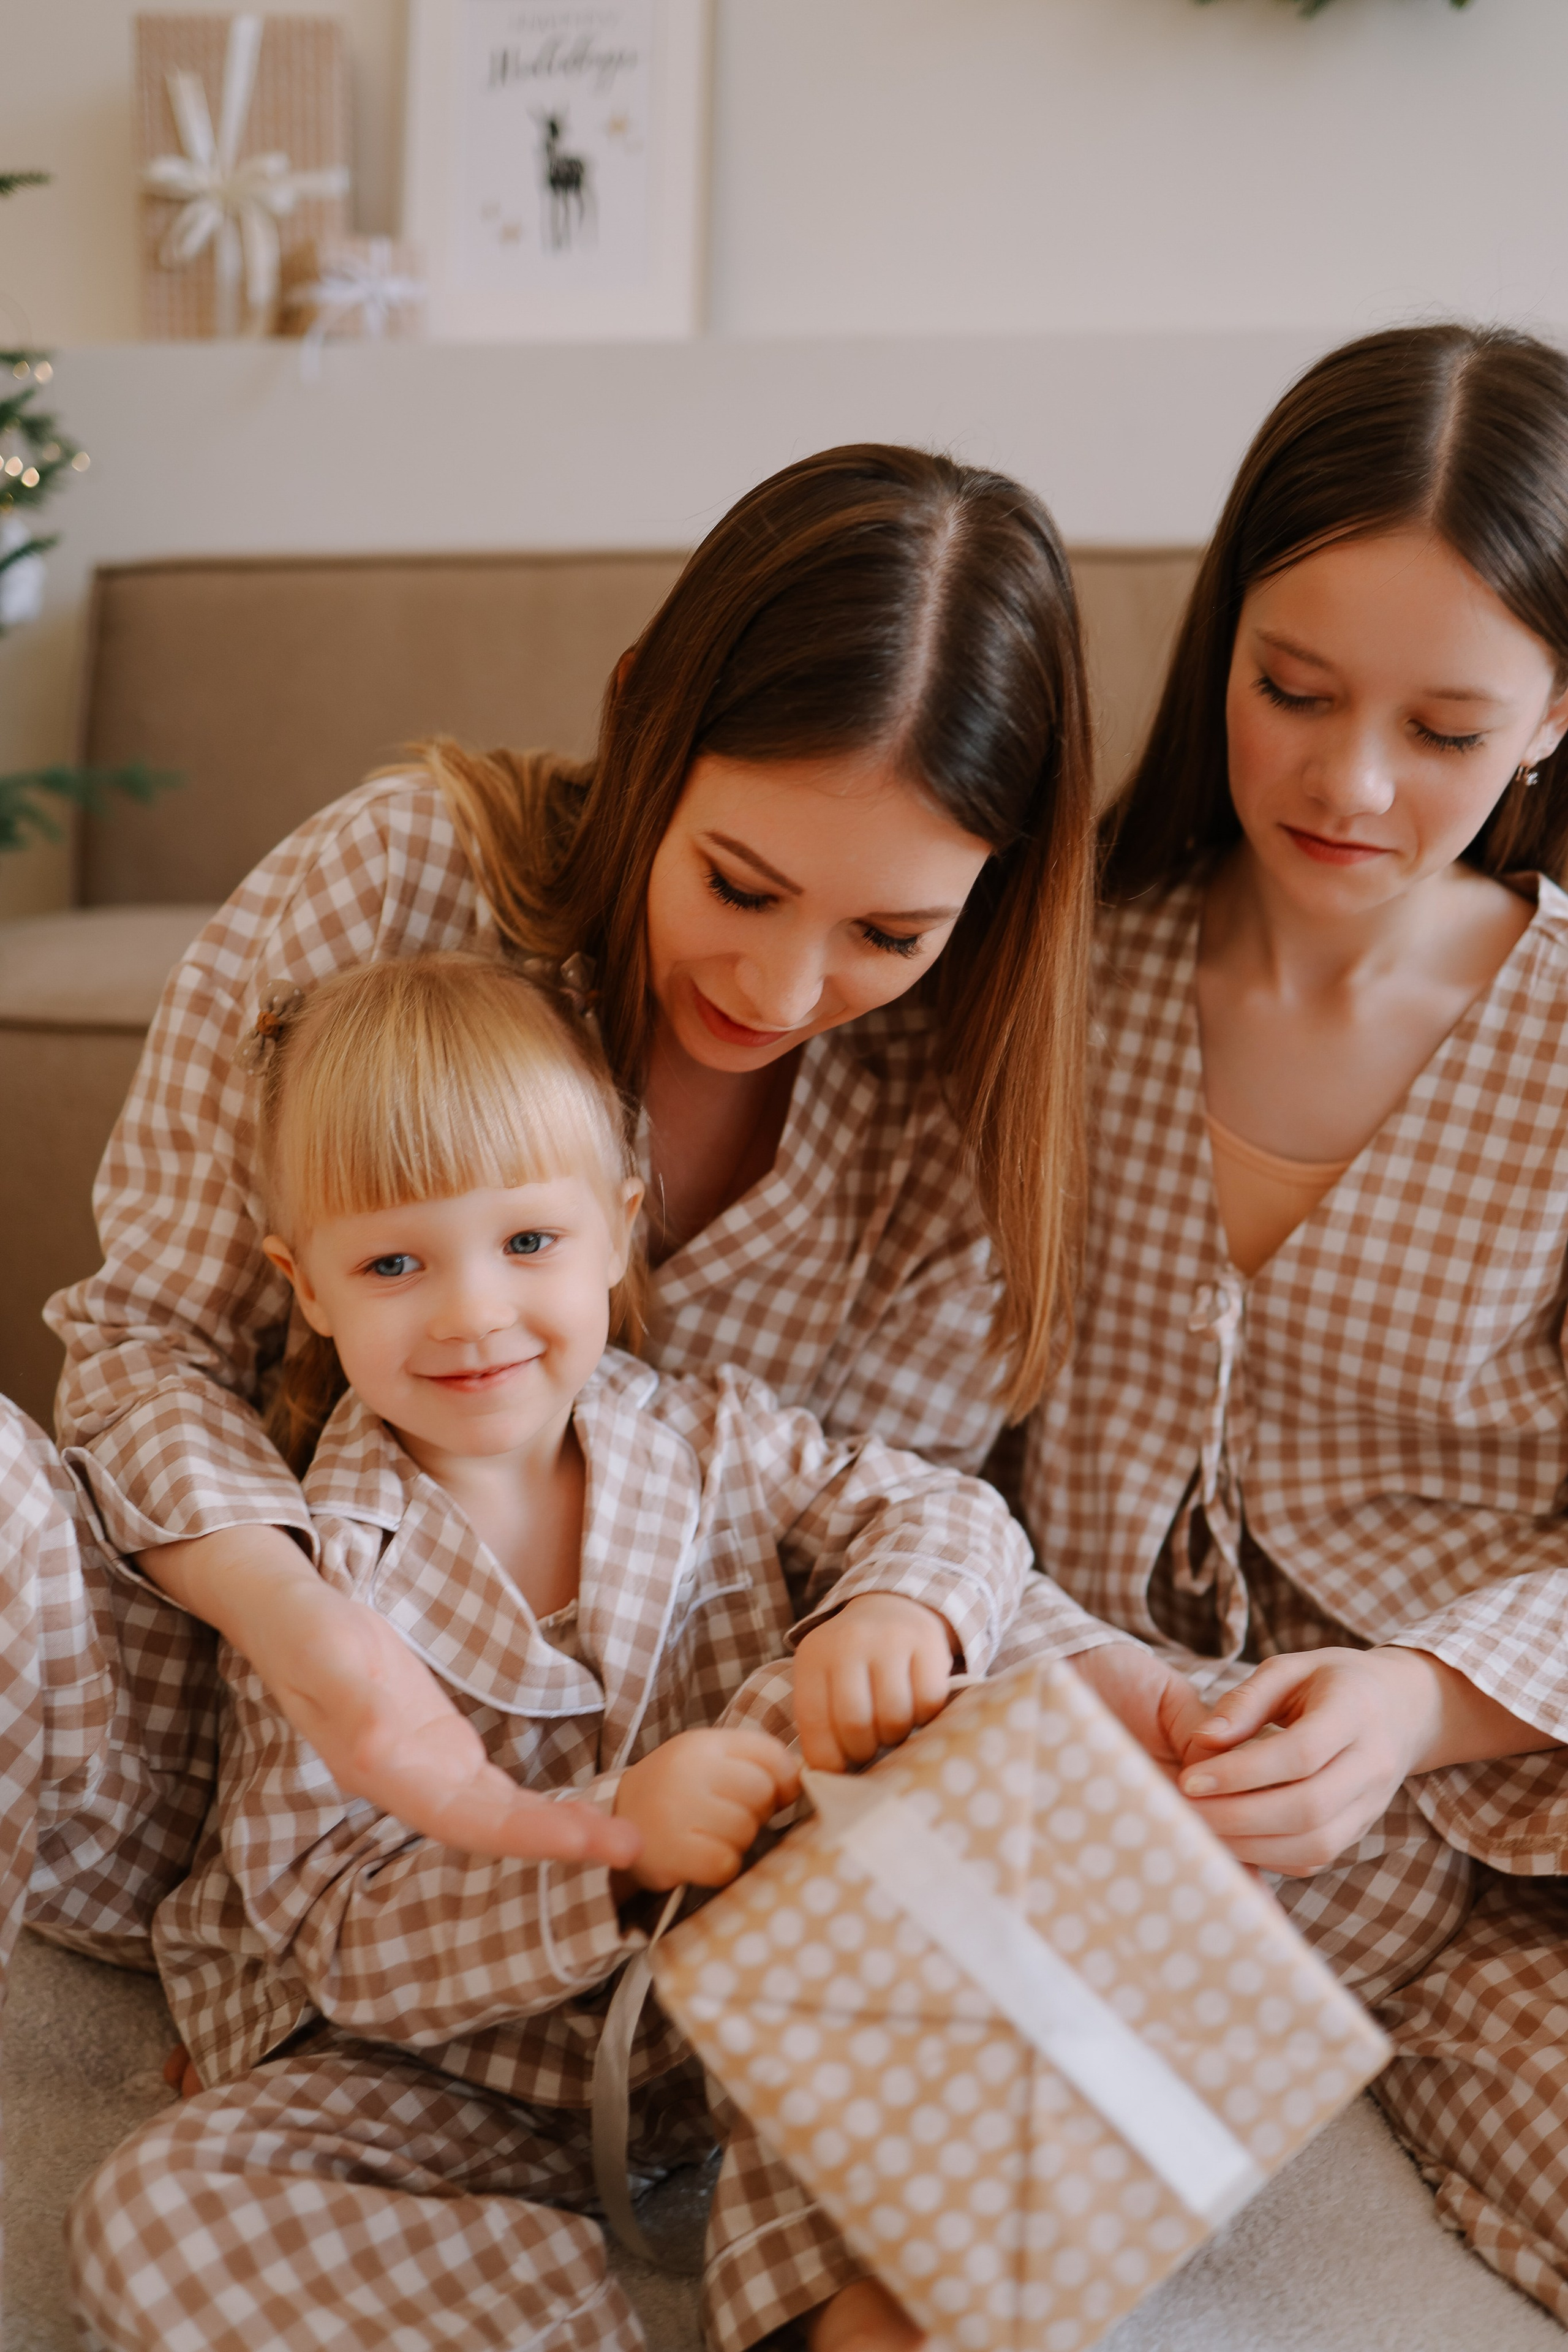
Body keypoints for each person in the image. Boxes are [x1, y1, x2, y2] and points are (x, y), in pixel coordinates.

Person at [45, 442, 1102, 1879]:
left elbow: (892, 1534)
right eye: (740, 884)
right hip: (236, 1729)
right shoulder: (402, 879)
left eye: (888, 936)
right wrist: (315, 1640)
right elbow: (143, 1348)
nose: (780, 994)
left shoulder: (956, 1104)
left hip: (678, 1840)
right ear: (640, 724)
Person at [67, 951, 1031, 2352]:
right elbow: (339, 1934)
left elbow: (942, 1506)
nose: (471, 1314)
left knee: (953, 1876)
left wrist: (896, 1613)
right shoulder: (321, 1571)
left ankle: (831, 2306)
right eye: (394, 1263)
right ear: (310, 1290)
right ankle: (532, 2311)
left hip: (752, 2033)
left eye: (527, 1244)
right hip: (449, 2071)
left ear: (618, 1226)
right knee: (156, 2212)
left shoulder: (716, 1441)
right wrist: (609, 1849)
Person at [1009, 323, 1568, 2321]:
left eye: (1443, 728)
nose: (1347, 782)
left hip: (1514, 1853)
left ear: (1556, 715)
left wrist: (1415, 1706)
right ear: (1220, 641)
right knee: (932, 2198)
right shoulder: (1054, 974)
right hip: (1103, 1799)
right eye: (1293, 690)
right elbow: (889, 1419)